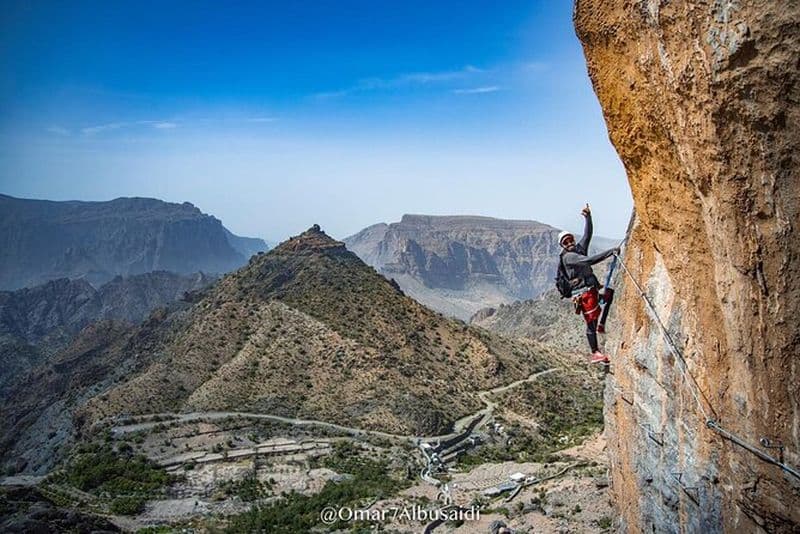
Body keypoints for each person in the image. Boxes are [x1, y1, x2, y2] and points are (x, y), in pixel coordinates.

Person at [558, 204, 620, 364]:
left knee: (609, 295)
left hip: (590, 289)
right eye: (566, 242)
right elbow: (588, 261)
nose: (569, 242)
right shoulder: (569, 257)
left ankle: (602, 324)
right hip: (583, 294)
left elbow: (587, 235)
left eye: (570, 239)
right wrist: (610, 252)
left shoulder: (578, 249)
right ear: (563, 246)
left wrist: (588, 217)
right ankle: (595, 352)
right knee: (590, 321)